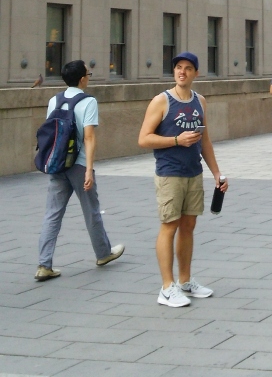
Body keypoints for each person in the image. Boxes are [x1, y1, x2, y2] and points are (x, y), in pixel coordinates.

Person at [138, 52, 228, 308]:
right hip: (170, 173)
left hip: (193, 172)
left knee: (188, 226)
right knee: (169, 226)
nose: (182, 71)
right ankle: (167, 287)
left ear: (195, 73)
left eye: (188, 68)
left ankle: (185, 280)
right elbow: (143, 138)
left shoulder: (200, 101)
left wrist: (217, 173)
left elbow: (205, 141)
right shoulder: (161, 101)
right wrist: (176, 140)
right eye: (178, 67)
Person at [36, 60, 124, 281]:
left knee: (52, 214)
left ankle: (44, 265)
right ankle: (103, 254)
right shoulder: (88, 101)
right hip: (79, 164)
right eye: (88, 74)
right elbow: (89, 137)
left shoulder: (54, 100)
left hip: (57, 164)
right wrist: (89, 170)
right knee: (91, 210)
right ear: (83, 79)